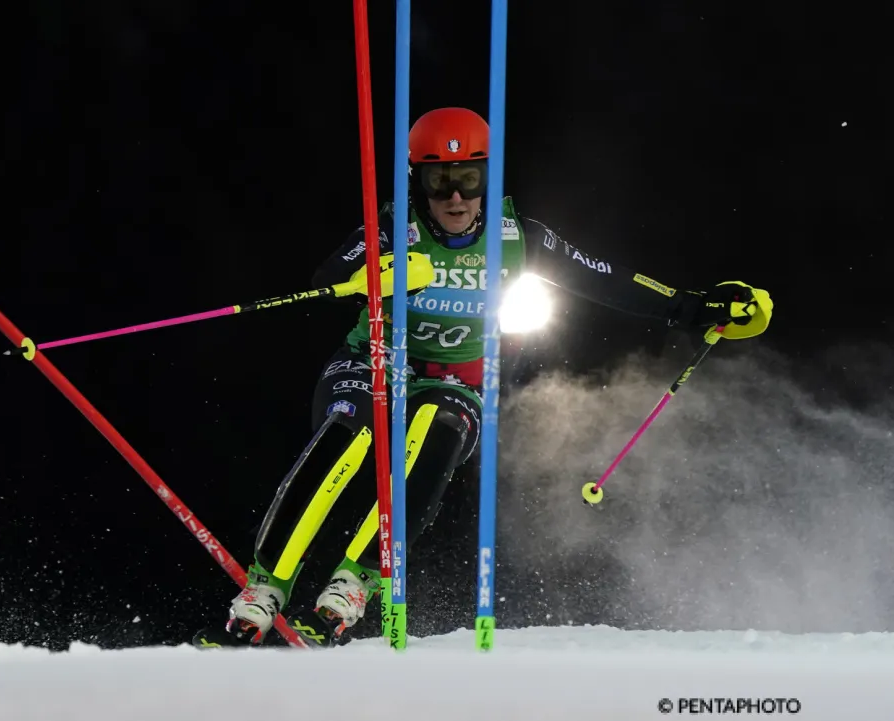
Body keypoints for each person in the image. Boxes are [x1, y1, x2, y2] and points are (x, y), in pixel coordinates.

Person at [192, 107, 772, 649]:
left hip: (452, 381)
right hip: (372, 365)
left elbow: (606, 278)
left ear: (486, 178)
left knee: (436, 430)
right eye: (438, 180)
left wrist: (696, 308)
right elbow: (327, 279)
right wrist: (384, 270)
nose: (454, 197)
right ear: (418, 181)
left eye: (468, 179)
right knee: (353, 432)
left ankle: (354, 582)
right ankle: (263, 590)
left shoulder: (522, 237)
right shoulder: (396, 225)